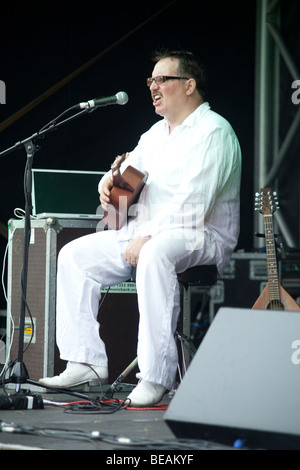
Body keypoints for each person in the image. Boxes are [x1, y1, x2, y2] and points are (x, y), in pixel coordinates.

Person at [39, 49, 242, 407]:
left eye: (163, 79)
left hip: (201, 235)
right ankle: (85, 361)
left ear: (190, 85)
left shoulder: (214, 131)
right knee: (73, 256)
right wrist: (107, 183)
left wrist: (148, 236)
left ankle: (155, 376)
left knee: (154, 253)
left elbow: (196, 203)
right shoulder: (154, 133)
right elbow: (127, 171)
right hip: (146, 233)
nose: (153, 86)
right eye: (151, 80)